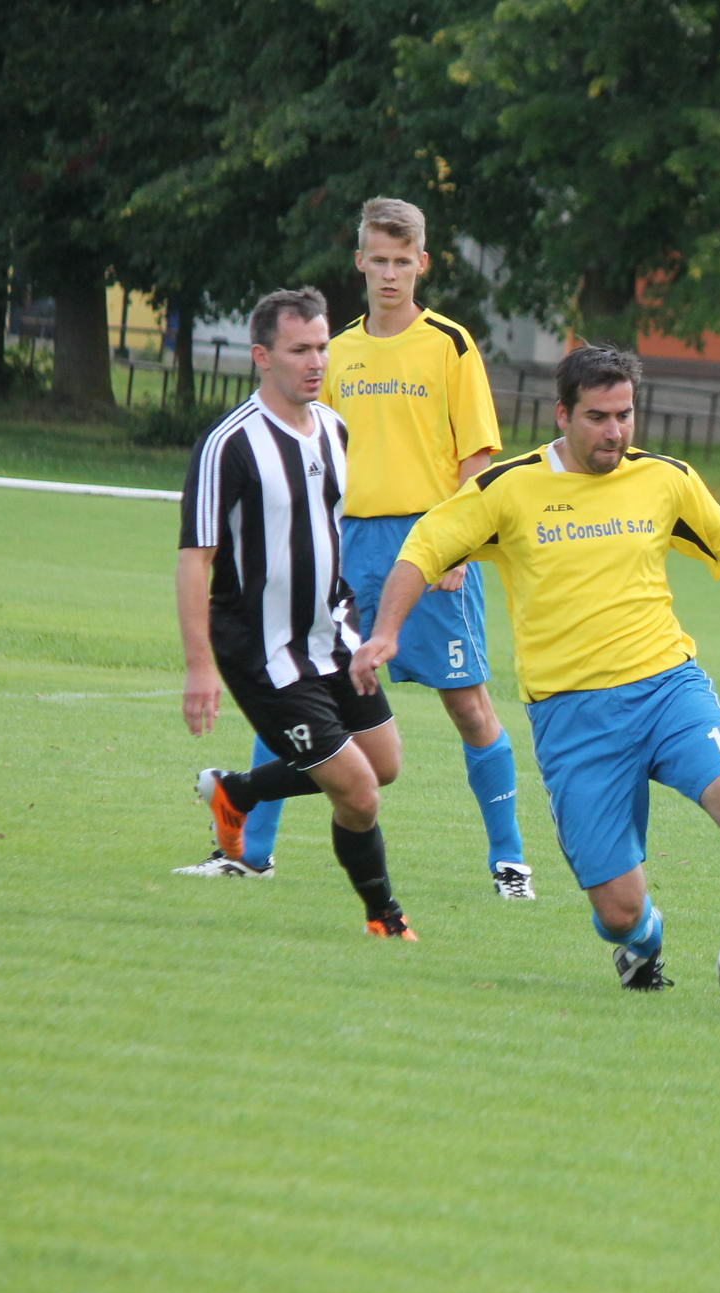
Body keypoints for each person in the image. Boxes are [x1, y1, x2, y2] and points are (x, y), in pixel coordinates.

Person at [349, 344, 720, 1022]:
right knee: (617, 910)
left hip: (668, 687)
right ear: (563, 414)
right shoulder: (509, 488)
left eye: (625, 415)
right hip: (573, 719)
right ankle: (642, 940)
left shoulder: (665, 479)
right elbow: (423, 548)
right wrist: (386, 632)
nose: (615, 432)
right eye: (598, 417)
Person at [177, 197, 532, 900]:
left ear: (422, 264)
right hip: (342, 549)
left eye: (403, 261)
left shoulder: (450, 344)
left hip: (428, 543)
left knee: (468, 706)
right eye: (379, 260)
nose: (390, 274)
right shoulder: (333, 350)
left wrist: (460, 545)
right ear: (360, 261)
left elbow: (477, 457)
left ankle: (510, 861)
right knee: (292, 683)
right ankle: (249, 852)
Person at [177, 287, 415, 940]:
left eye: (322, 347)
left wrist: (355, 629)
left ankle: (239, 791)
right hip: (263, 652)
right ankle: (385, 918)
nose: (316, 362)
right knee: (358, 791)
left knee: (384, 764)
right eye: (300, 350)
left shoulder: (335, 428)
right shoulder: (229, 444)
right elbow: (195, 559)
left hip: (332, 634)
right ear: (262, 356)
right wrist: (200, 666)